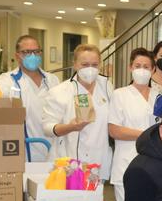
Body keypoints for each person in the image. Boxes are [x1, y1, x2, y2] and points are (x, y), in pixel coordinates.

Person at [105, 48, 158, 201]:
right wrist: (145, 135)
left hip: (154, 166)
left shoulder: (161, 96)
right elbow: (114, 129)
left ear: (154, 70)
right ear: (130, 68)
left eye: (147, 66)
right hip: (127, 163)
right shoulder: (120, 94)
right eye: (138, 66)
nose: (142, 70)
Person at [41, 44, 113, 180]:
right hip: (68, 162)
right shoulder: (60, 92)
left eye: (94, 65)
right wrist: (71, 127)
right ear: (75, 65)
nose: (90, 69)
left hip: (98, 160)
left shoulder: (107, 86)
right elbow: (47, 128)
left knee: (94, 200)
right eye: (85, 64)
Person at [0, 35, 60, 162]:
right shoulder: (7, 80)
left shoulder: (52, 80)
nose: (32, 56)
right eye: (26, 52)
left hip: (52, 149)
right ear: (17, 55)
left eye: (36, 51)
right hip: (24, 151)